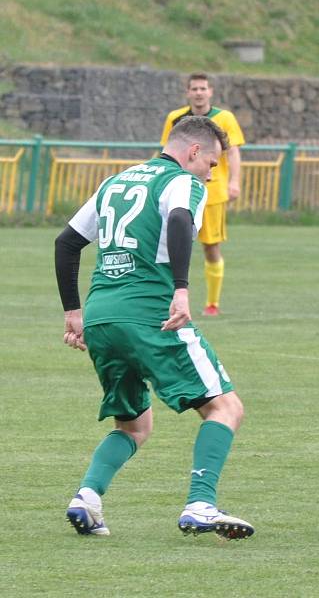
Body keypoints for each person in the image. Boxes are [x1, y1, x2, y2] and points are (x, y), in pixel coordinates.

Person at [55, 116, 254, 540]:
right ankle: (201, 504)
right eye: (213, 163)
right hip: (151, 314)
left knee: (133, 425)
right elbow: (181, 220)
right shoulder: (182, 181)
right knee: (225, 407)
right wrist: (181, 289)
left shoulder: (115, 182)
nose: (212, 172)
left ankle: (87, 498)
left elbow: (66, 243)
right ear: (194, 151)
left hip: (103, 317)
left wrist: (73, 312)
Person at [160, 72, 245, 316]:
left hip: (213, 193)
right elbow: (166, 152)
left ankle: (212, 304)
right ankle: (168, 298)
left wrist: (234, 181)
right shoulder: (175, 118)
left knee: (210, 247)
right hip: (176, 191)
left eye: (203, 88)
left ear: (210, 92)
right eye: (194, 88)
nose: (199, 92)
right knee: (166, 245)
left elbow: (233, 152)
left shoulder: (224, 118)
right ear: (188, 92)